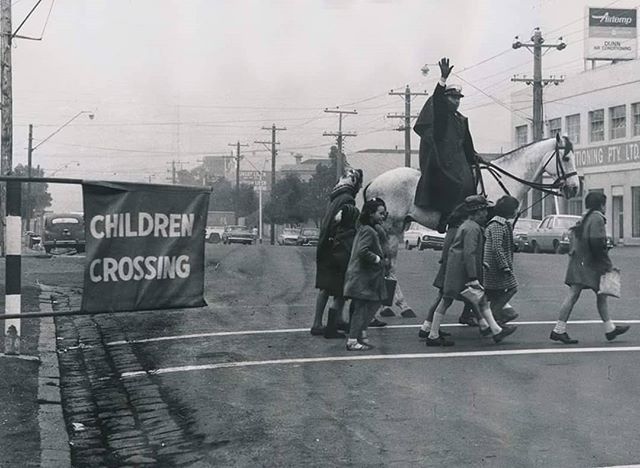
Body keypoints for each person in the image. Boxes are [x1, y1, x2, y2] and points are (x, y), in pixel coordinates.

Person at [427, 195, 517, 346]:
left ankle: (433, 333)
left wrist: (482, 264)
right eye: (484, 211)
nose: (486, 213)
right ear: (478, 212)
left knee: (450, 300)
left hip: (456, 269)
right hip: (462, 272)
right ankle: (494, 330)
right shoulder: (473, 229)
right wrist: (474, 276)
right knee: (471, 300)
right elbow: (469, 253)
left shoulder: (467, 226)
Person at [550, 191, 629, 344]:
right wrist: (607, 263)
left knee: (597, 294)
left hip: (581, 262)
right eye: (604, 204)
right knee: (579, 295)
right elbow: (597, 243)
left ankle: (609, 329)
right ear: (601, 204)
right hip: (590, 263)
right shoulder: (597, 218)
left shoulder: (584, 218)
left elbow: (575, 237)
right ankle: (559, 330)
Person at [413, 57, 480, 233]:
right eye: (452, 98)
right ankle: (446, 217)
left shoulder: (461, 120)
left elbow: (467, 146)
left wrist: (475, 158)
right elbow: (438, 101)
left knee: (474, 180)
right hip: (442, 162)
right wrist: (442, 80)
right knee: (455, 182)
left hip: (460, 162)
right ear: (446, 99)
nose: (456, 101)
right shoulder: (441, 117)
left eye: (458, 98)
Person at [311, 168, 364, 339]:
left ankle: (319, 322)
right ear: (354, 182)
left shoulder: (335, 197)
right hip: (338, 247)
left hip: (326, 245)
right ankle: (330, 324)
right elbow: (343, 224)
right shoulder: (347, 199)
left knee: (325, 287)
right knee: (340, 286)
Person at [418, 203, 473, 338]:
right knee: (444, 298)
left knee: (443, 298)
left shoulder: (454, 229)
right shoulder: (456, 230)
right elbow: (449, 250)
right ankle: (428, 327)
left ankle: (428, 327)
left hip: (449, 268)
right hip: (451, 269)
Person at [343, 198, 390, 351]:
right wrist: (377, 259)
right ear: (371, 214)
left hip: (362, 276)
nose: (383, 216)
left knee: (370, 304)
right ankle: (353, 340)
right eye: (380, 213)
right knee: (361, 308)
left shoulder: (365, 228)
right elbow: (362, 251)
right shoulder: (369, 231)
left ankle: (359, 335)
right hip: (361, 276)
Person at [483, 195, 520, 325]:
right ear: (509, 210)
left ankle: (495, 319)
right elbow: (496, 247)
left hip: (494, 265)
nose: (517, 211)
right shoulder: (498, 224)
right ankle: (493, 316)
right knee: (513, 287)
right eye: (515, 209)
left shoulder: (501, 223)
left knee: (496, 293)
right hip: (495, 266)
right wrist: (504, 266)